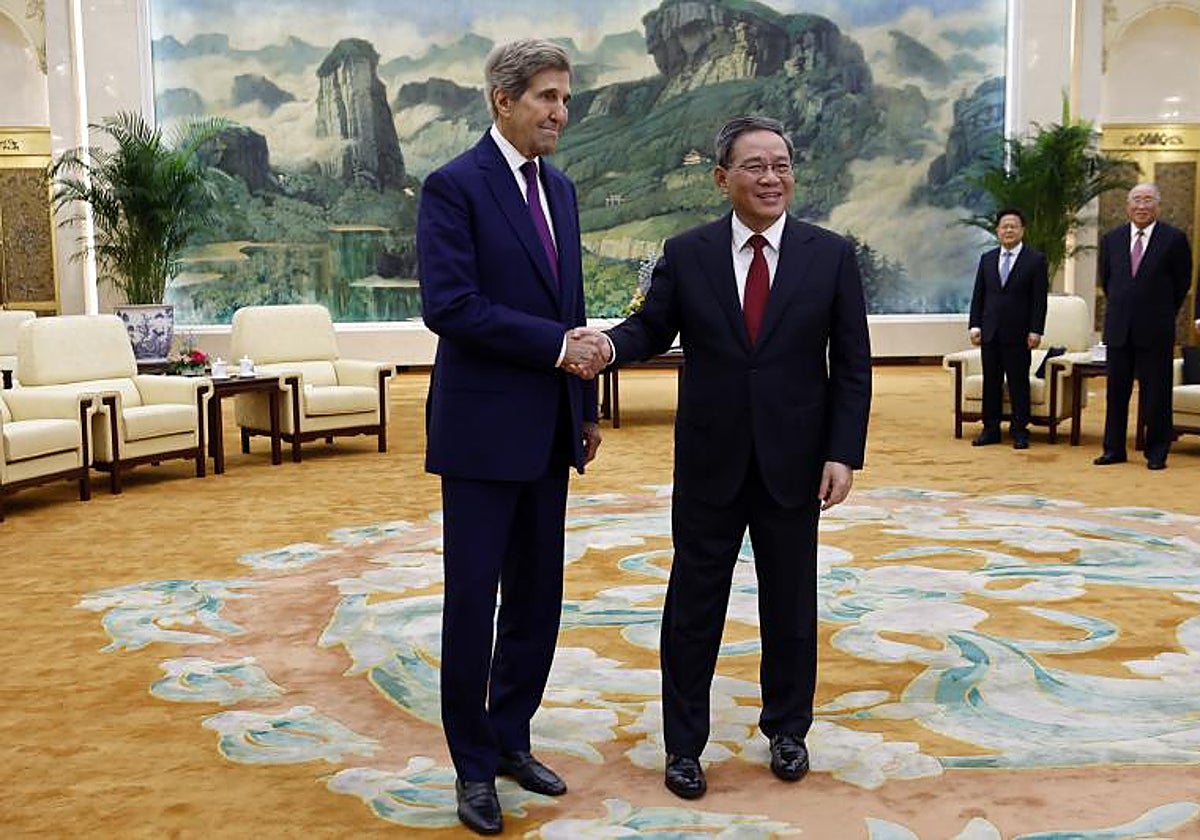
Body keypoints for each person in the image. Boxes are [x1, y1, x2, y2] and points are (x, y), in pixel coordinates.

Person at [575, 116, 871, 799]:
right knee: (693, 606)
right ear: (722, 178)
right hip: (710, 461)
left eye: (782, 165)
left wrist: (842, 453)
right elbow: (652, 326)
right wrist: (608, 347)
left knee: (791, 602)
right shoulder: (688, 252)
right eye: (755, 166)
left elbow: (852, 364)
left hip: (795, 461)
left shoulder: (829, 255)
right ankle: (684, 746)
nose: (772, 178)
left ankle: (788, 728)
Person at [416, 39, 604, 835]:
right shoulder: (453, 187)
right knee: (473, 604)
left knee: (536, 601)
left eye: (565, 98)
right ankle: (471, 770)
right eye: (547, 98)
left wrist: (584, 405)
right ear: (502, 100)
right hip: (481, 433)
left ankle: (510, 738)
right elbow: (450, 307)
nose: (560, 112)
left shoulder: (559, 188)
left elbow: (571, 301)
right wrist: (559, 349)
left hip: (548, 430)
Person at [1094, 182, 1192, 470]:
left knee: (1156, 394)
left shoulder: (1173, 239)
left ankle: (1157, 451)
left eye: (1148, 200)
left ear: (1157, 205)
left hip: (1156, 329)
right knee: (1116, 393)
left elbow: (1181, 284)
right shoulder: (1112, 239)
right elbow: (1108, 280)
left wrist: (1159, 312)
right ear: (1128, 206)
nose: (1141, 206)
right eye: (1136, 200)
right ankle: (1113, 449)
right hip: (1119, 328)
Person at [966, 208, 1049, 449]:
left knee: (1018, 382)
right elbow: (978, 295)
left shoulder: (1035, 260)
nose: (1009, 230)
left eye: (1013, 226)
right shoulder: (988, 259)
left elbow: (1039, 301)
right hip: (990, 331)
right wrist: (975, 325)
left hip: (1019, 334)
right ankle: (990, 429)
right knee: (991, 382)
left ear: (1022, 230)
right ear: (998, 231)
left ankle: (1020, 430)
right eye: (1004, 226)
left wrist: (1036, 330)